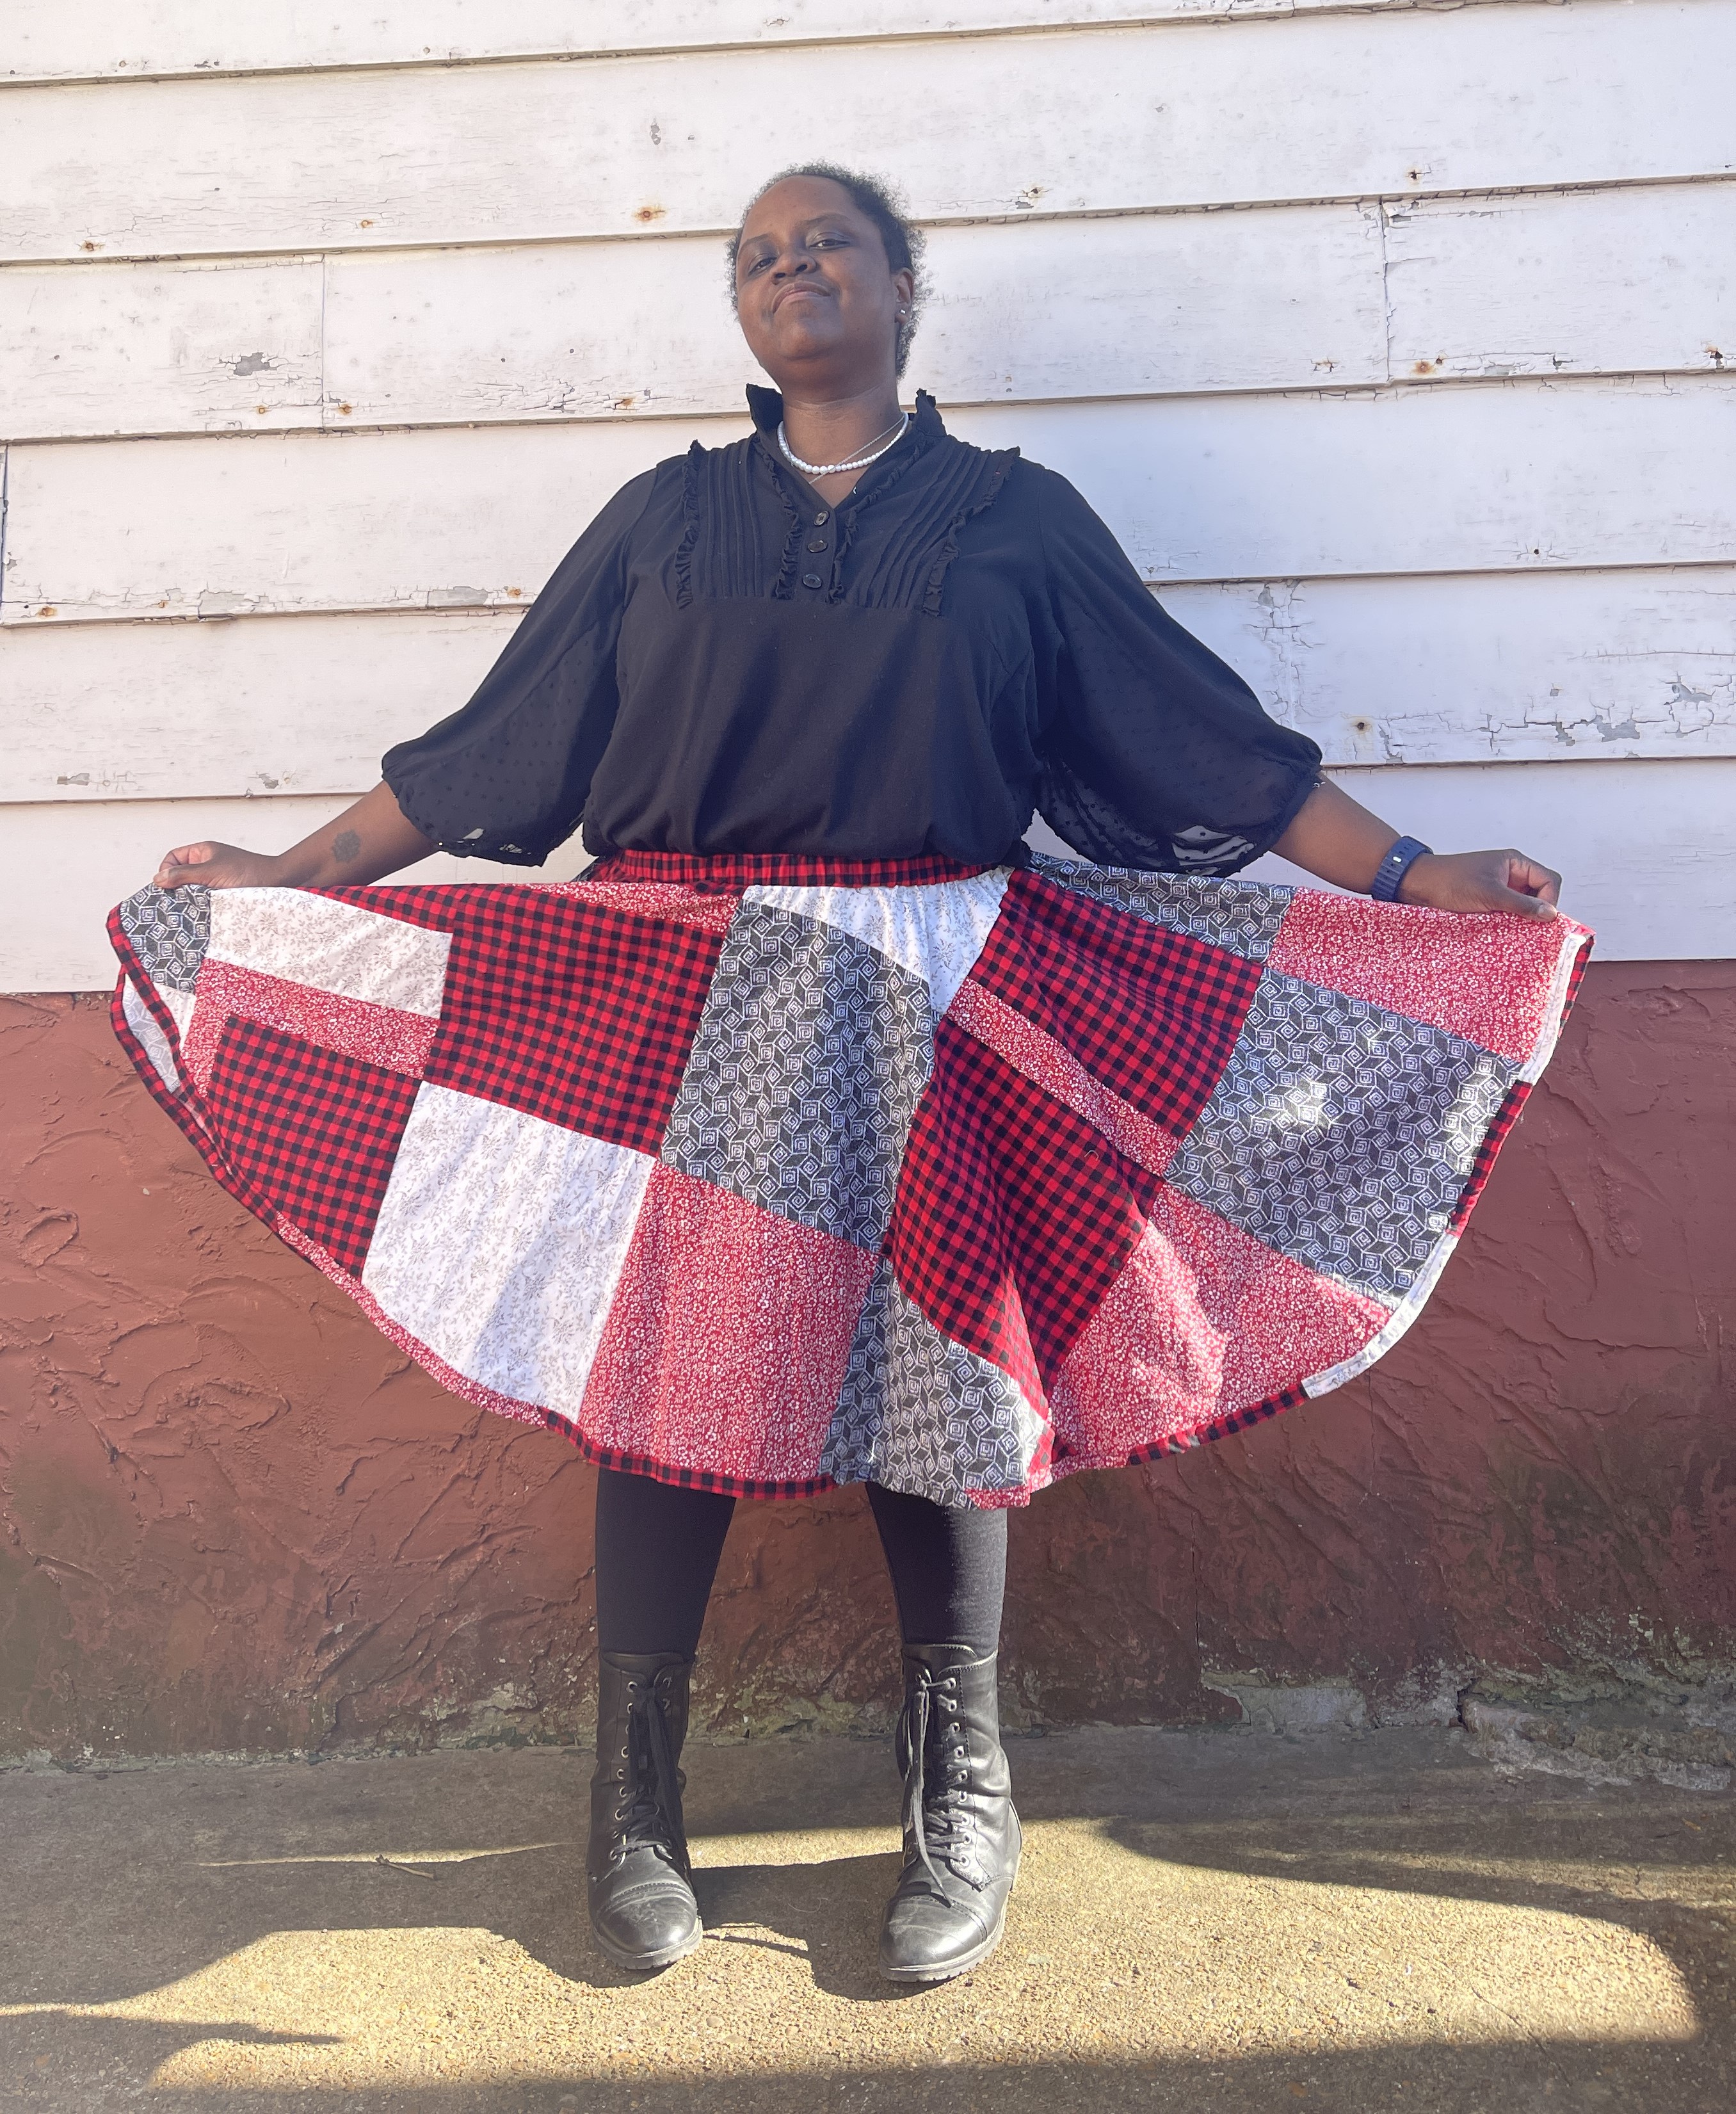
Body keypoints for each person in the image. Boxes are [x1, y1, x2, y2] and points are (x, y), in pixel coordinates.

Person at [125, 166, 1573, 1986]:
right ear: (737, 310)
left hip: (937, 993)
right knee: (664, 1369)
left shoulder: (1012, 523)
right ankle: (634, 1804)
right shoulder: (662, 516)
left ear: (904, 281)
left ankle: (959, 1793)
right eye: (755, 257)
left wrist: (1412, 873)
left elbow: (1202, 734)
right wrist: (292, 880)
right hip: (691, 992)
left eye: (827, 244)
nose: (790, 271)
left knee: (937, 1371)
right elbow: (498, 745)